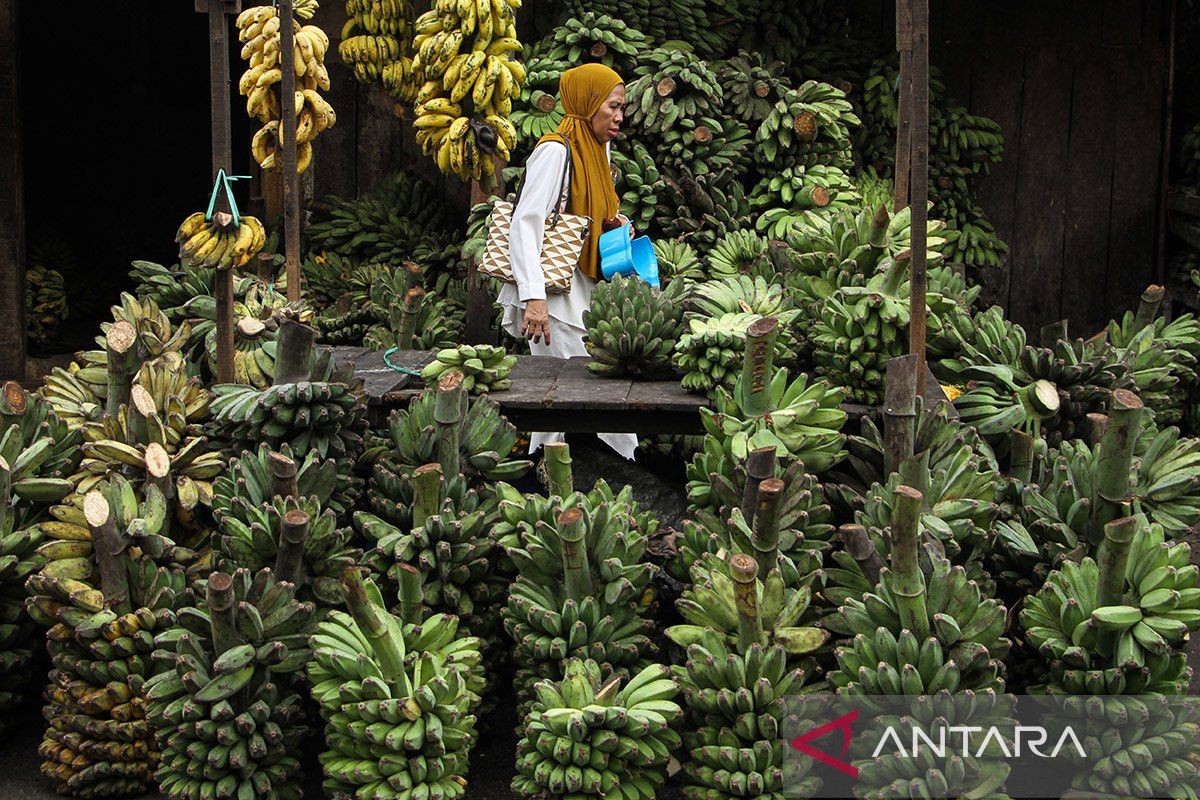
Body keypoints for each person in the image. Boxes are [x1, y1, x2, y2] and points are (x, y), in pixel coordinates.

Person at [498, 63, 639, 460]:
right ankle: (567, 479)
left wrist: (615, 225)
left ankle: (566, 476)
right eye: (612, 106)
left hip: (583, 294)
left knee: (568, 399)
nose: (618, 116)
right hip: (555, 297)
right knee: (568, 396)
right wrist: (533, 298)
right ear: (588, 102)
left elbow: (590, 214)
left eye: (621, 107)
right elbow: (525, 223)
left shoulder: (597, 150)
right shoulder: (555, 151)